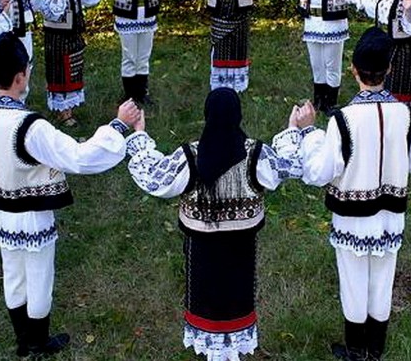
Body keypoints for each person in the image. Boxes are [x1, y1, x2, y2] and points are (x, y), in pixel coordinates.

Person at [0, 32, 141, 357]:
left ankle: (24, 338)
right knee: (38, 277)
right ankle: (36, 342)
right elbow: (79, 157)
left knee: (13, 272)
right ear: (21, 76)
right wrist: (119, 125)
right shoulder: (29, 126)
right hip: (30, 215)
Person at [126, 88, 311, 361]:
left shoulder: (191, 156)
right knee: (237, 302)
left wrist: (140, 135)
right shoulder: (254, 155)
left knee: (207, 306)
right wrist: (294, 129)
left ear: (206, 116)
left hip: (202, 252)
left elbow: (155, 177)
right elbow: (289, 166)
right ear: (239, 116)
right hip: (241, 250)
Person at [301, 27, 411, 361]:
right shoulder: (407, 116)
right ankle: (374, 349)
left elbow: (319, 172)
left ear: (353, 70)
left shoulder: (343, 120)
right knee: (382, 280)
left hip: (352, 218)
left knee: (353, 281)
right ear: (389, 69)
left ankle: (356, 349)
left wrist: (306, 134)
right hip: (391, 216)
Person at [37, 0, 107, 126]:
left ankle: (69, 108)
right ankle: (63, 112)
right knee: (60, 73)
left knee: (74, 70)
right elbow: (52, 12)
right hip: (57, 38)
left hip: (73, 36)